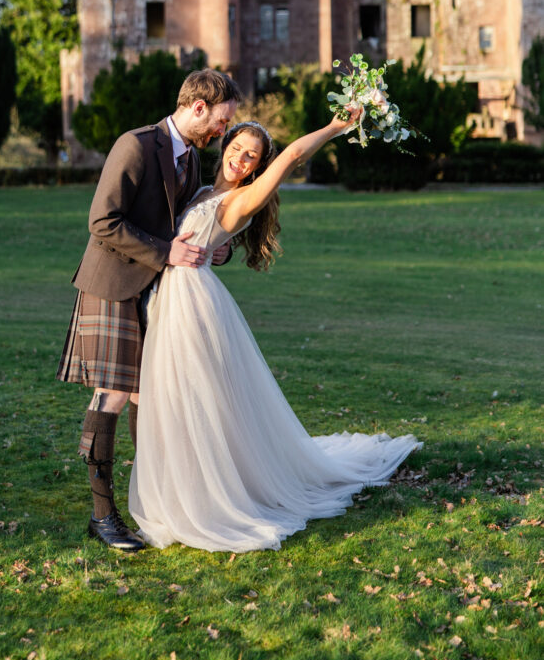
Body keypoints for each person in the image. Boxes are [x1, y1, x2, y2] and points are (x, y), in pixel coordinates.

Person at [129, 114, 422, 552]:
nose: (241, 158)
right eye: (237, 147)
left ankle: (206, 498)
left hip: (191, 302)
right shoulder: (206, 190)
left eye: (252, 156)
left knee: (195, 399)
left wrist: (336, 127)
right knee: (174, 398)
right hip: (173, 295)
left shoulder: (246, 197)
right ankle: (182, 487)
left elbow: (294, 155)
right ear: (224, 145)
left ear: (257, 167)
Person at [56, 69, 242, 551]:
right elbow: (102, 220)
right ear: (198, 108)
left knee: (148, 397)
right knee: (113, 395)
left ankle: (153, 504)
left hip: (155, 290)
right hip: (113, 284)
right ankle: (102, 516)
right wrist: (166, 252)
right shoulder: (136, 145)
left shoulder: (192, 160)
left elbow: (181, 223)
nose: (223, 132)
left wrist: (209, 249)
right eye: (221, 122)